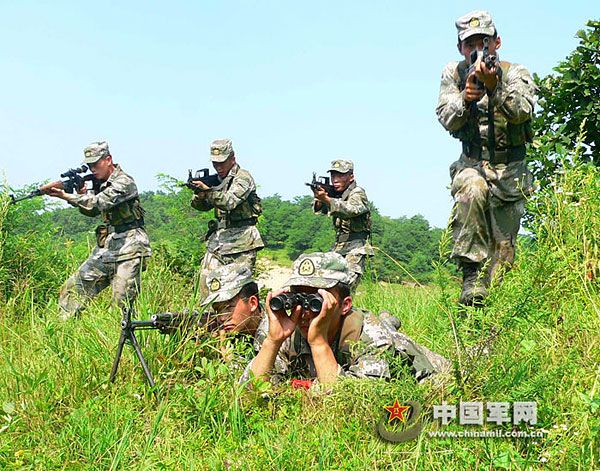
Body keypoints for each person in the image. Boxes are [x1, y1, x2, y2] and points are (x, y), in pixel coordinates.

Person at [436, 10, 535, 306]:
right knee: (472, 189)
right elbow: (445, 117)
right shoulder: (453, 74)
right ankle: (469, 276)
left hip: (509, 171)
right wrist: (465, 99)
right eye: (470, 44)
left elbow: (522, 112)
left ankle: (490, 317)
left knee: (503, 255)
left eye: (484, 41)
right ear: (460, 49)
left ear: (497, 42)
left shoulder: (516, 72)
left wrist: (496, 87)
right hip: (472, 164)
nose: (477, 49)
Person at [241, 252, 449, 386]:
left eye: (316, 300)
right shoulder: (281, 329)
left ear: (345, 305)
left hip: (433, 374)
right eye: (298, 297)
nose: (305, 311)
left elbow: (353, 406)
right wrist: (273, 342)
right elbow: (248, 395)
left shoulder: (371, 335)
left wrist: (318, 343)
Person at [40, 141, 151, 319]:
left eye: (96, 163)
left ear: (108, 159)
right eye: (89, 165)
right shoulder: (99, 182)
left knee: (121, 304)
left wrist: (66, 195)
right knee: (73, 289)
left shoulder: (124, 182)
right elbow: (90, 211)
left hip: (131, 247)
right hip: (108, 246)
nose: (92, 169)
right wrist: (80, 194)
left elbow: (97, 203)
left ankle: (125, 343)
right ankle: (62, 335)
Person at [191, 139, 264, 296]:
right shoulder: (216, 179)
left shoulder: (243, 177)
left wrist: (209, 192)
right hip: (218, 241)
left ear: (232, 158)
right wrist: (200, 195)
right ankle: (210, 319)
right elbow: (200, 207)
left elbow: (229, 202)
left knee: (239, 291)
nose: (218, 167)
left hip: (242, 242)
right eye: (215, 163)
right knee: (207, 286)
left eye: (222, 162)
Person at [312, 159, 373, 289]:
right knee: (325, 284)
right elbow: (320, 209)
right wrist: (320, 198)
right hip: (339, 247)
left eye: (341, 175)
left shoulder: (357, 192)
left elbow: (351, 210)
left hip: (356, 247)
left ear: (351, 177)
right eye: (333, 175)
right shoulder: (337, 194)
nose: (335, 179)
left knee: (345, 288)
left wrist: (327, 199)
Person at [201, 263, 262, 337]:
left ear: (252, 303)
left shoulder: (274, 332)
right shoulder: (227, 330)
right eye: (218, 310)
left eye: (229, 307)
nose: (222, 318)